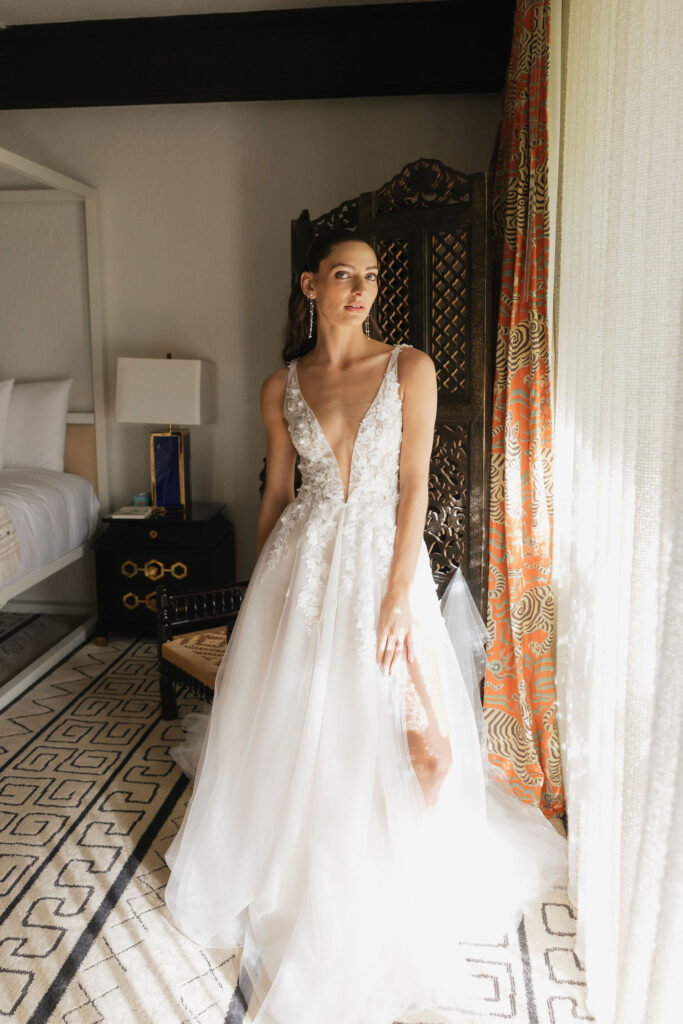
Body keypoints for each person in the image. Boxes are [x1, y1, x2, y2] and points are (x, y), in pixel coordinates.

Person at [164, 229, 567, 1024]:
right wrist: (261, 593)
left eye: (370, 277)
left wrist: (393, 594)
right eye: (343, 275)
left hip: (385, 565)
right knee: (305, 721)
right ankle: (311, 859)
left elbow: (411, 484)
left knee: (426, 744)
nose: (360, 289)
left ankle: (396, 871)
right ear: (310, 285)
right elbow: (276, 495)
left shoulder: (408, 368)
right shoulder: (281, 385)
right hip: (300, 566)